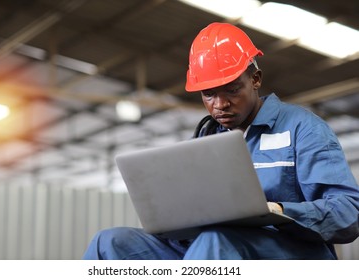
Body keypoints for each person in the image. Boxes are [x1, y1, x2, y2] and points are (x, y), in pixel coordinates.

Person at [83, 22, 359, 260]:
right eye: (209, 94)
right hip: (215, 246)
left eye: (232, 89)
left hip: (291, 253)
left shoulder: (303, 128)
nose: (220, 105)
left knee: (216, 240)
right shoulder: (208, 137)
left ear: (255, 79)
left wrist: (277, 210)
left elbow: (348, 212)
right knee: (109, 244)